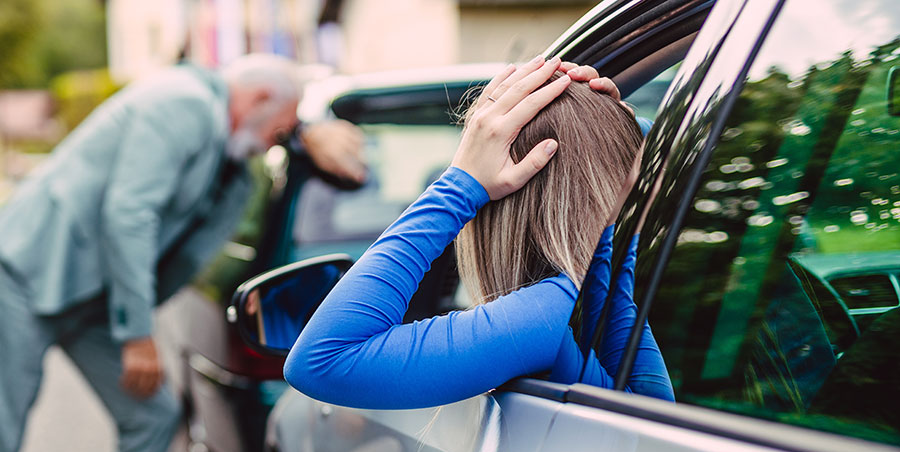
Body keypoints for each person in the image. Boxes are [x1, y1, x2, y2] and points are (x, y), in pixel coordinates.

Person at [0, 54, 363, 452]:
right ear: (253, 100)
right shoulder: (181, 104)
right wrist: (138, 334)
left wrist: (306, 132)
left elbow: (247, 173)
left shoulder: (234, 164)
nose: (281, 137)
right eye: (283, 124)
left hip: (94, 299)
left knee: (152, 417)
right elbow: (128, 213)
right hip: (30, 275)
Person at [283, 56, 675, 410]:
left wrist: (459, 186)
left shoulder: (546, 319)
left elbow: (322, 360)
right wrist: (620, 132)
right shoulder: (592, 302)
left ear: (497, 214)